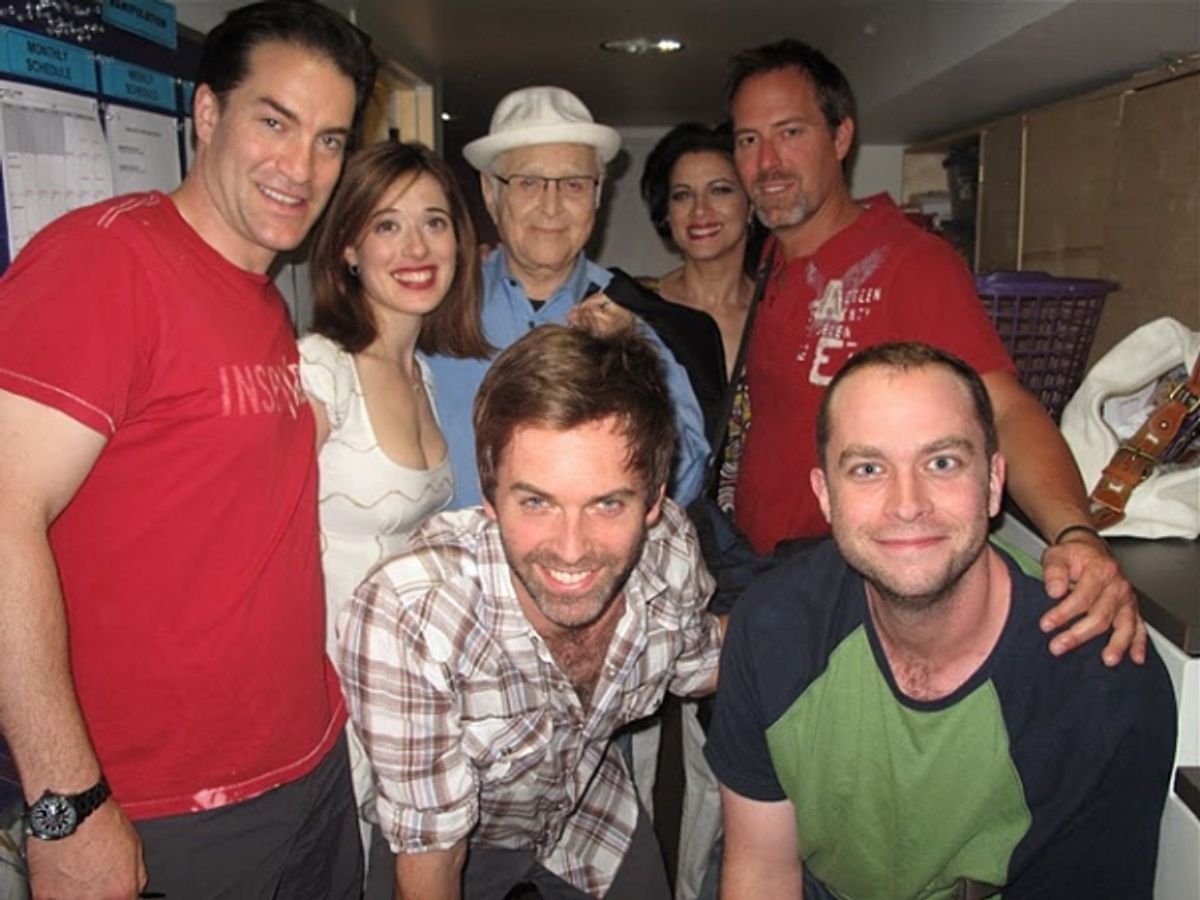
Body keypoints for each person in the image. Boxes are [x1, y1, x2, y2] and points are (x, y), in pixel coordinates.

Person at [0, 2, 376, 897]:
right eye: (274, 123)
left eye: (329, 140)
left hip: (309, 770)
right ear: (207, 114)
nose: (301, 167)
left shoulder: (261, 293)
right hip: (165, 810)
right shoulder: (106, 264)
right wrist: (69, 806)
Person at [725, 38, 1144, 665]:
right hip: (758, 573)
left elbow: (1001, 410)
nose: (766, 162)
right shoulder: (772, 264)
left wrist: (1076, 534)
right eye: (748, 140)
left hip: (847, 589)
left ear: (841, 136)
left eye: (789, 132)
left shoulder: (912, 264)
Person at [707, 341, 1176, 900]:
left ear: (994, 482)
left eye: (942, 463)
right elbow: (762, 875)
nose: (908, 504)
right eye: (868, 468)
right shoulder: (772, 630)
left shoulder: (1100, 689)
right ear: (825, 496)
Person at [339, 324, 723, 900]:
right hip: (450, 840)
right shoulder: (412, 614)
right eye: (536, 502)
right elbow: (433, 853)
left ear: (654, 499)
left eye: (608, 503)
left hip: (590, 816)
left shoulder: (668, 552)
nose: (571, 550)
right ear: (490, 494)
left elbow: (698, 662)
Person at [299, 140, 491, 866]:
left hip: (396, 689)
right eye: (387, 225)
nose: (415, 247)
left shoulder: (426, 377)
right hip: (319, 692)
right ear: (348, 247)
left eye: (435, 222)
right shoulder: (323, 368)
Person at [424, 85, 709, 509]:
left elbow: (684, 479)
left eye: (573, 184)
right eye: (529, 183)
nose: (552, 207)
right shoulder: (435, 311)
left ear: (597, 196)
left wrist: (635, 357)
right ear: (490, 192)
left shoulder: (631, 316)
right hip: (459, 568)